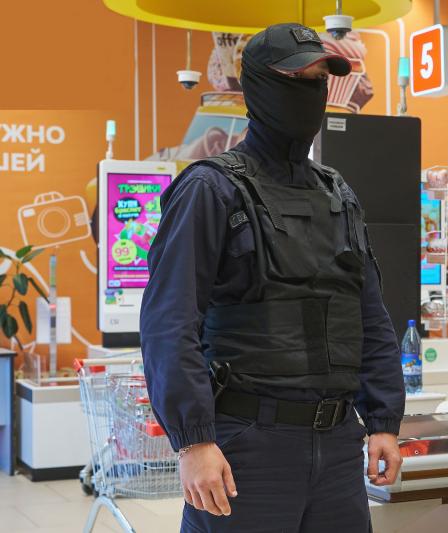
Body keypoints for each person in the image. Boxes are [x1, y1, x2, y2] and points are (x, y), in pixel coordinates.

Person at [140, 23, 405, 533]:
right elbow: (169, 322)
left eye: (320, 79)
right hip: (245, 446)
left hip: (336, 448)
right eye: (296, 79)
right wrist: (194, 441)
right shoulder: (210, 189)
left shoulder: (338, 194)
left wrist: (383, 420)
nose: (312, 92)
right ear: (259, 86)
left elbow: (369, 314)